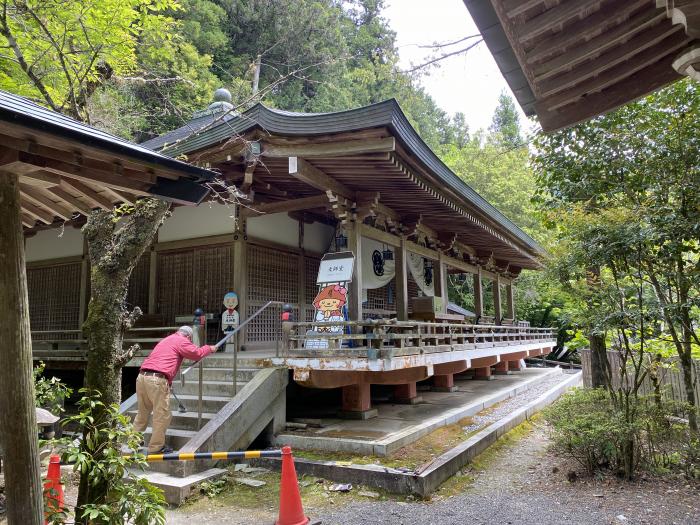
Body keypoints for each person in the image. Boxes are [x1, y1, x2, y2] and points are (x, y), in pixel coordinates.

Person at [133, 326, 215, 453]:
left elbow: (164, 360)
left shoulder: (167, 339)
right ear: (188, 337)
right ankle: (156, 447)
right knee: (162, 415)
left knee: (142, 412)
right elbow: (197, 354)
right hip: (157, 379)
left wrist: (168, 382)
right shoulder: (182, 341)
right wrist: (209, 348)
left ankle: (133, 443)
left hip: (142, 377)